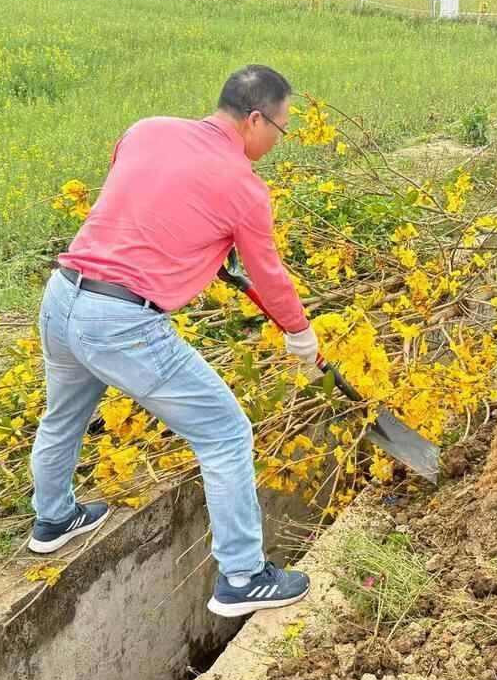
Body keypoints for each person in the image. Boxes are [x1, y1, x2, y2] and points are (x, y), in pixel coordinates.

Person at [28, 65, 318, 618]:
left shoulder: (147, 129)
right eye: (279, 130)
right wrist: (300, 334)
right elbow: (269, 275)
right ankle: (242, 575)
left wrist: (203, 249)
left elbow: (141, 200)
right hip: (122, 322)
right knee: (226, 431)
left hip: (63, 298)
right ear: (255, 119)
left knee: (62, 415)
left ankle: (53, 518)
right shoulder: (245, 188)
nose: (276, 144)